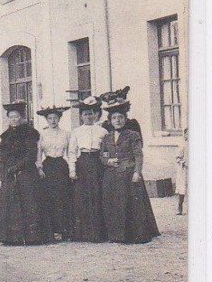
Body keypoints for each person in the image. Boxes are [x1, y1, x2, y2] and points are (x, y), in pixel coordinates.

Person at [100, 100, 160, 243]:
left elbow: (138, 155)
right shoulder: (107, 137)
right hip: (112, 176)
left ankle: (132, 235)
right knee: (115, 204)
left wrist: (137, 172)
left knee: (131, 205)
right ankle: (116, 235)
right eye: (114, 118)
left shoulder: (133, 135)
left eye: (120, 117)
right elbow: (103, 154)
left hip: (128, 174)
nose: (117, 120)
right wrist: (108, 161)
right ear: (110, 121)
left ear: (125, 119)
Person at [0, 103, 52, 245]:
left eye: (16, 116)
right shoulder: (5, 136)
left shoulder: (29, 133)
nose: (14, 119)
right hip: (10, 173)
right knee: (11, 204)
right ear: (8, 118)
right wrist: (4, 173)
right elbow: (3, 157)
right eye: (11, 117)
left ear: (21, 117)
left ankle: (32, 237)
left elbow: (31, 154)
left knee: (29, 202)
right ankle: (13, 238)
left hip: (27, 172)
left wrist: (17, 167)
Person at [68, 96, 107, 242]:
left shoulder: (102, 131)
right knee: (82, 197)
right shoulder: (76, 132)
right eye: (85, 114)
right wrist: (72, 170)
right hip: (83, 163)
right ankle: (83, 233)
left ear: (95, 115)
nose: (88, 117)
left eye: (91, 114)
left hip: (97, 163)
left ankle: (99, 233)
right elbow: (72, 152)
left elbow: (106, 150)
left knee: (97, 195)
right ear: (81, 116)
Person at [36, 105, 74, 241]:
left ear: (59, 119)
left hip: (61, 166)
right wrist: (39, 168)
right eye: (50, 118)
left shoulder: (66, 134)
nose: (53, 121)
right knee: (49, 198)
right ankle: (51, 231)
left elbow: (70, 152)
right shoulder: (42, 134)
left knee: (62, 198)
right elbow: (38, 153)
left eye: (55, 118)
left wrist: (71, 169)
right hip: (48, 166)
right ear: (46, 120)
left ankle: (63, 230)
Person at [176, 127, 187, 215]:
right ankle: (180, 207)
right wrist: (182, 162)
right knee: (182, 189)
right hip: (184, 171)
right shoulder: (183, 145)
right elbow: (178, 158)